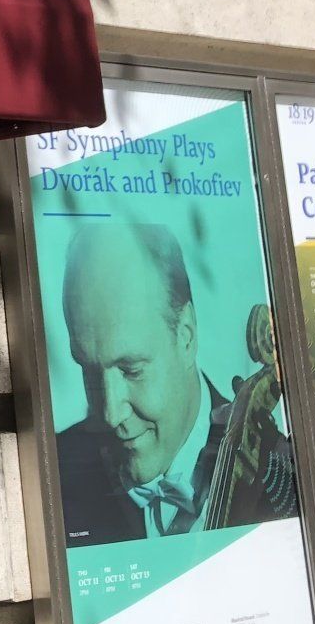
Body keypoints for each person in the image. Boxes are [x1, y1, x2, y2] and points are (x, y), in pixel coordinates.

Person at [55, 222, 297, 545]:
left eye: (131, 370)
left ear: (186, 336)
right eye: (88, 369)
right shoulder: (59, 470)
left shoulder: (282, 480)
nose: (111, 413)